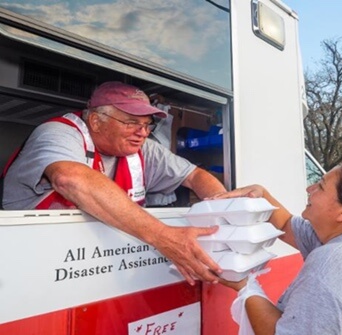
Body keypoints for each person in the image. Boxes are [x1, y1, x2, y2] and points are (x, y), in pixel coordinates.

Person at [2, 81, 227, 285]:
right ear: (96, 121)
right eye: (131, 122)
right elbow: (69, 178)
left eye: (148, 125)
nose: (142, 133)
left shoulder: (141, 146)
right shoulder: (58, 132)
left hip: (102, 266)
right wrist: (163, 237)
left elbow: (195, 176)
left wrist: (224, 221)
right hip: (33, 266)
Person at [213, 161, 342, 335]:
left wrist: (246, 287)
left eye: (320, 186)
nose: (309, 188)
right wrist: (261, 194)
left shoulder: (332, 264)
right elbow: (285, 223)